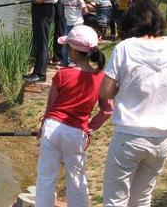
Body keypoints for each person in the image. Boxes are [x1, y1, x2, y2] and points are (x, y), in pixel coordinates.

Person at [99, 0, 167, 207]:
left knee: (115, 199)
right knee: (142, 198)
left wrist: (125, 88)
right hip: (163, 138)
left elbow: (106, 91)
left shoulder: (125, 48)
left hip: (130, 135)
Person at [35, 25, 114, 207]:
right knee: (77, 178)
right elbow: (107, 110)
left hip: (53, 128)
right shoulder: (100, 77)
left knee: (46, 176)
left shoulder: (62, 74)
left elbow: (51, 107)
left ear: (72, 51)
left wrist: (42, 127)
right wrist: (90, 128)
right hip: (77, 133)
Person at [60, 0, 87, 66]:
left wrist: (79, 18)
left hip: (76, 24)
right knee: (65, 43)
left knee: (74, 44)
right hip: (68, 23)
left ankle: (72, 62)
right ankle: (65, 61)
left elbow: (85, 10)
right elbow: (62, 5)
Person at [52, 0, 74, 65]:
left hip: (64, 8)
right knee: (57, 31)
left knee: (61, 31)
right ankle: (56, 57)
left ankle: (61, 57)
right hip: (58, 6)